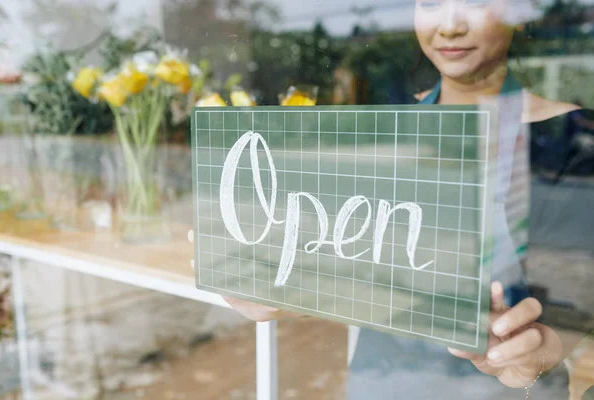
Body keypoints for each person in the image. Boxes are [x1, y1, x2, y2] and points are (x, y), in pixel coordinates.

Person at [224, 0, 593, 398]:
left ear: (520, 14)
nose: (449, 26)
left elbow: (571, 307)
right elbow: (349, 261)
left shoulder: (572, 142)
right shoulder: (382, 129)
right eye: (430, 2)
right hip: (380, 379)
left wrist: (536, 356)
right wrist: (277, 288)